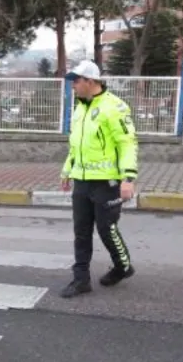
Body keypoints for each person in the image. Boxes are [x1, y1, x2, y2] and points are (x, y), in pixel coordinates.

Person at [59, 60, 139, 299]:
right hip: (82, 181)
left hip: (108, 182)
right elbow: (76, 146)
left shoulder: (115, 107)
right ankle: (81, 279)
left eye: (77, 80)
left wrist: (128, 178)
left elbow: (127, 144)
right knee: (81, 232)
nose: (73, 85)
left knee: (107, 229)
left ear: (90, 81)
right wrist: (67, 171)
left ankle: (122, 266)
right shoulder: (80, 108)